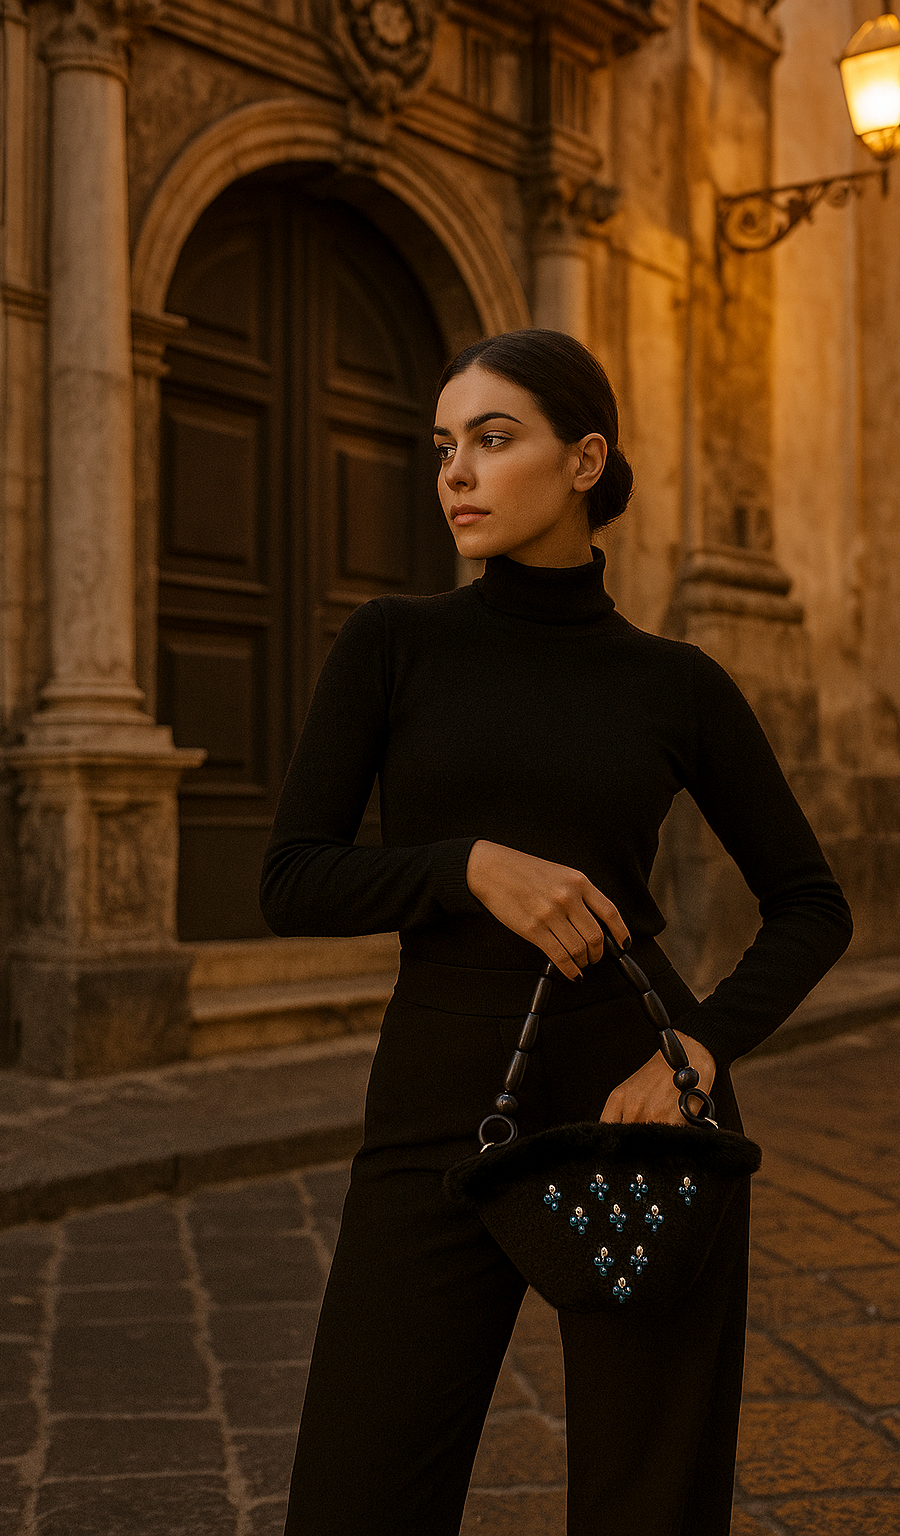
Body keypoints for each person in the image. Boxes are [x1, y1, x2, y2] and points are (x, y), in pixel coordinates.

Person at [261, 328, 853, 1535]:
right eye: (444, 446)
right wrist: (467, 868)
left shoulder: (675, 682)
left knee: (649, 1498)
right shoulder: (392, 644)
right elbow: (293, 881)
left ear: (584, 461)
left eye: (492, 439)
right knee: (358, 1489)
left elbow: (811, 903)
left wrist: (696, 1052)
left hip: (636, 1099)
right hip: (436, 1089)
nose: (456, 473)